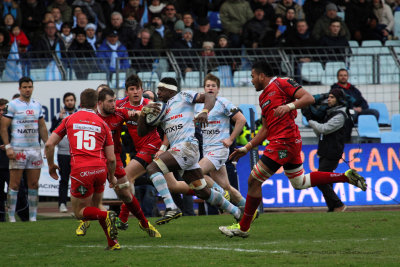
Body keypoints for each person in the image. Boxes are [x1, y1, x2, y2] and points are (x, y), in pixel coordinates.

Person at [218, 61, 367, 238]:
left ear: (261, 76)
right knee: (299, 183)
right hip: (286, 141)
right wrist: (247, 147)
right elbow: (265, 129)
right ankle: (345, 176)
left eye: (252, 76)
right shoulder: (263, 97)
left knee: (253, 180)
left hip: (284, 141)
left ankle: (243, 227)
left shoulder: (282, 83)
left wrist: (289, 106)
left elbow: (308, 98)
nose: (251, 81)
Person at [138, 77, 244, 223]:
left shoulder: (183, 96)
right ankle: (237, 212)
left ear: (170, 89)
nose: (158, 92)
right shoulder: (161, 109)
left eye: (161, 89)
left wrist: (205, 111)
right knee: (203, 192)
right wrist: (143, 115)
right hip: (181, 152)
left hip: (187, 147)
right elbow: (142, 132)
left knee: (152, 167)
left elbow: (209, 96)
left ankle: (171, 207)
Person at [45, 88, 120, 250]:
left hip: (81, 171)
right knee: (97, 204)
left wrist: (51, 165)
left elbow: (49, 144)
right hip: (100, 170)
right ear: (96, 104)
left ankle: (107, 215)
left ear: (80, 103)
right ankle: (112, 243)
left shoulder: (70, 119)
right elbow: (111, 158)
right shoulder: (103, 124)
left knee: (79, 212)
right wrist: (111, 176)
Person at [116, 74, 182, 226]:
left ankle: (123, 218)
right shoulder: (121, 105)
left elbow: (167, 127)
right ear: (127, 92)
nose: (135, 92)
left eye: (138, 89)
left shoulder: (150, 104)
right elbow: (111, 108)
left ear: (142, 89)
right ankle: (212, 192)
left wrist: (164, 147)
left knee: (126, 178)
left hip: (152, 147)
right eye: (132, 89)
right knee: (175, 185)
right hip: (140, 149)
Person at [94, 88, 161, 237]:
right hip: (97, 159)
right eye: (110, 101)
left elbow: (136, 114)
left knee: (126, 194)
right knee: (92, 195)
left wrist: (143, 111)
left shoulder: (119, 113)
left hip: (115, 159)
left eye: (114, 100)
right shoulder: (94, 119)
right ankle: (84, 222)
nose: (113, 104)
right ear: (100, 103)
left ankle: (144, 223)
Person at [0, 77, 48, 222]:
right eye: (25, 87)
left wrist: (48, 144)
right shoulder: (12, 105)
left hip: (34, 149)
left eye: (30, 87)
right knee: (14, 184)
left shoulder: (37, 105)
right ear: (19, 88)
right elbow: (3, 127)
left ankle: (33, 217)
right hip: (18, 149)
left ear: (33, 88)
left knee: (33, 184)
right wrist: (8, 146)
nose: (28, 89)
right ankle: (11, 216)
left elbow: (42, 126)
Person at [308, 88, 348, 212]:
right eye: (329, 97)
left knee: (320, 180)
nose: (328, 99)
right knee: (327, 181)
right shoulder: (330, 112)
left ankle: (338, 204)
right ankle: (332, 207)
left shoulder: (340, 115)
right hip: (325, 150)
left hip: (333, 152)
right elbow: (321, 132)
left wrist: (311, 121)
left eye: (332, 97)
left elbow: (324, 129)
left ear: (339, 100)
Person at [0, 98, 29, 222]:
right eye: (0, 109)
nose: (2, 112)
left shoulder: (16, 124)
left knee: (19, 191)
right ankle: (1, 218)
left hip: (13, 163)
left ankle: (25, 217)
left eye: (4, 110)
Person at [49, 92, 78, 213]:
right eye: (67, 100)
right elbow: (52, 131)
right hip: (63, 153)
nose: (70, 102)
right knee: (64, 179)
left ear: (75, 101)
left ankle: (80, 204)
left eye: (71, 100)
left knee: (79, 180)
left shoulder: (79, 114)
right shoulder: (58, 115)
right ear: (64, 102)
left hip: (77, 152)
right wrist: (60, 120)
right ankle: (62, 203)